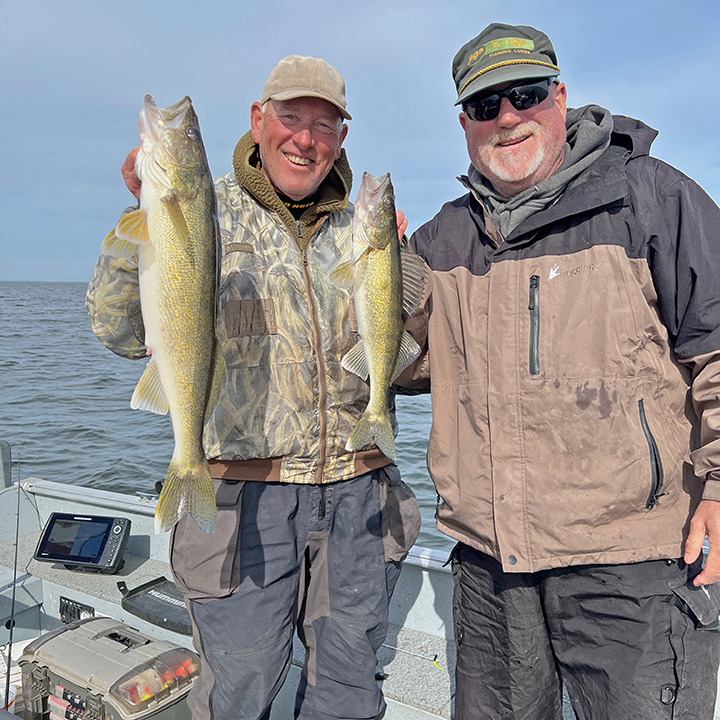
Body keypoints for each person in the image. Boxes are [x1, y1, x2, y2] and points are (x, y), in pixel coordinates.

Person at [398, 23, 720, 720]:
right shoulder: (441, 240)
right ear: (465, 125)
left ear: (560, 95)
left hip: (634, 566)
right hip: (491, 567)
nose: (508, 117)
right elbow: (392, 366)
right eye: (487, 106)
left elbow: (717, 348)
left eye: (526, 94)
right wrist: (367, 269)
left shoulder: (654, 199)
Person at [86, 55, 421, 720]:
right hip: (241, 494)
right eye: (291, 119)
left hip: (359, 496)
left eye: (324, 126)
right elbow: (118, 332)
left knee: (350, 689)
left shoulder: (366, 230)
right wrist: (139, 221)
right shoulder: (204, 210)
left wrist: (400, 266)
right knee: (238, 690)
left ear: (342, 139)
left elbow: (408, 363)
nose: (305, 138)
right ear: (258, 121)